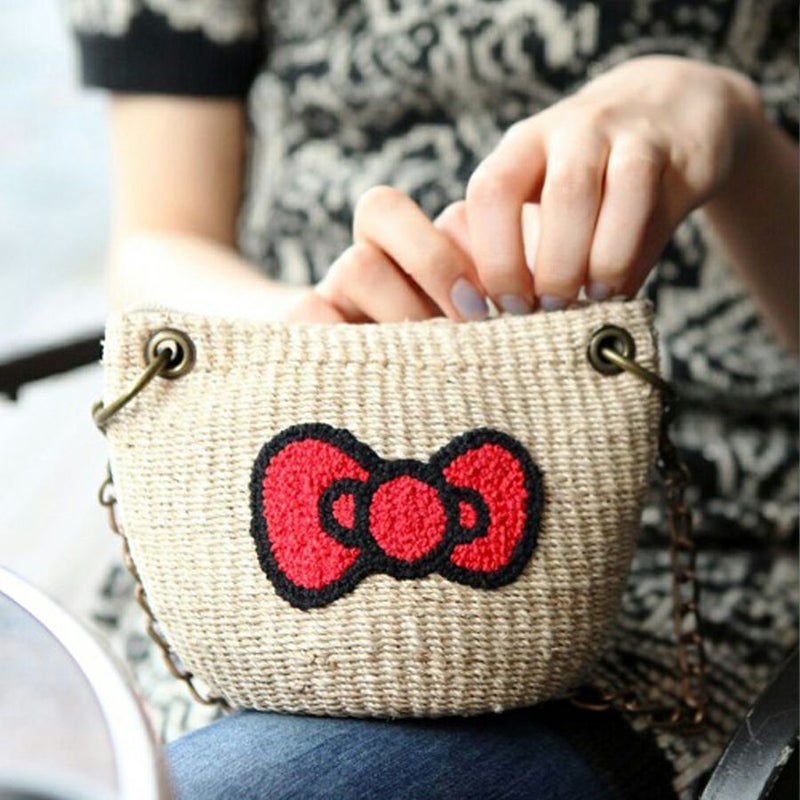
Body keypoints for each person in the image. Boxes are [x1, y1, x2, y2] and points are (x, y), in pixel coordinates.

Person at [67, 1, 798, 797]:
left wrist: (736, 132)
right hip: (243, 522)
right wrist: (311, 335)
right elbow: (159, 239)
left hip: (708, 560)